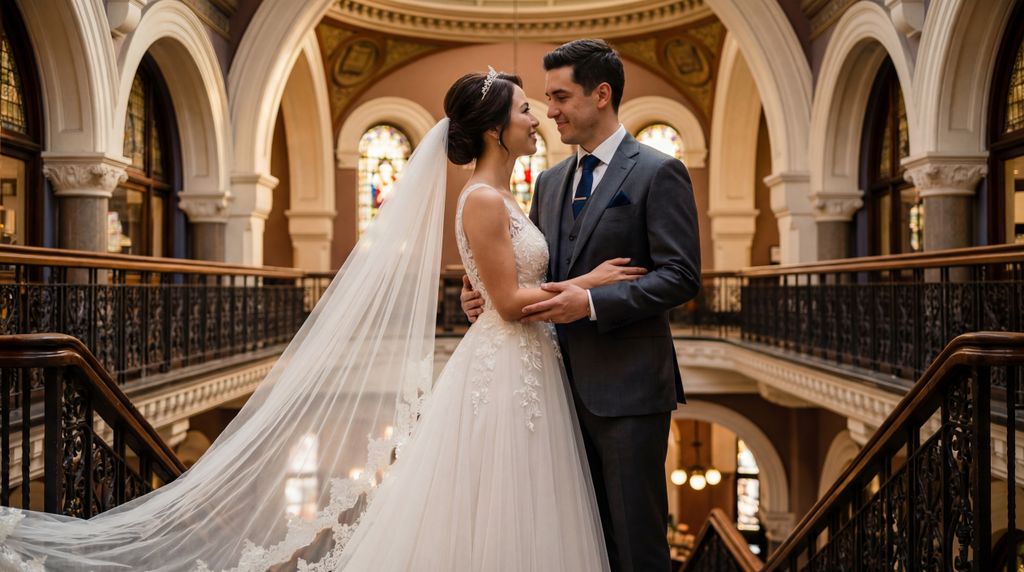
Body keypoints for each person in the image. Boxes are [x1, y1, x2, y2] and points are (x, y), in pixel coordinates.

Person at [0, 67, 641, 571]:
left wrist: (500, 293)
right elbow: (507, 303)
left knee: (522, 505)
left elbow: (498, 290)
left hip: (527, 363)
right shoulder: (480, 199)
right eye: (527, 109)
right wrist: (592, 282)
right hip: (506, 367)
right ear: (497, 128)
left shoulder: (505, 196)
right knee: (497, 496)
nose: (537, 119)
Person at [462, 39, 701, 572]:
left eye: (561, 97)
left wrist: (592, 302)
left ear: (601, 94)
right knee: (578, 543)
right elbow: (531, 266)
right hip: (551, 391)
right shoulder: (548, 182)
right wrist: (477, 288)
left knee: (635, 544)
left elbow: (681, 276)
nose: (549, 112)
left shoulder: (659, 171)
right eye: (544, 99)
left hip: (628, 393)